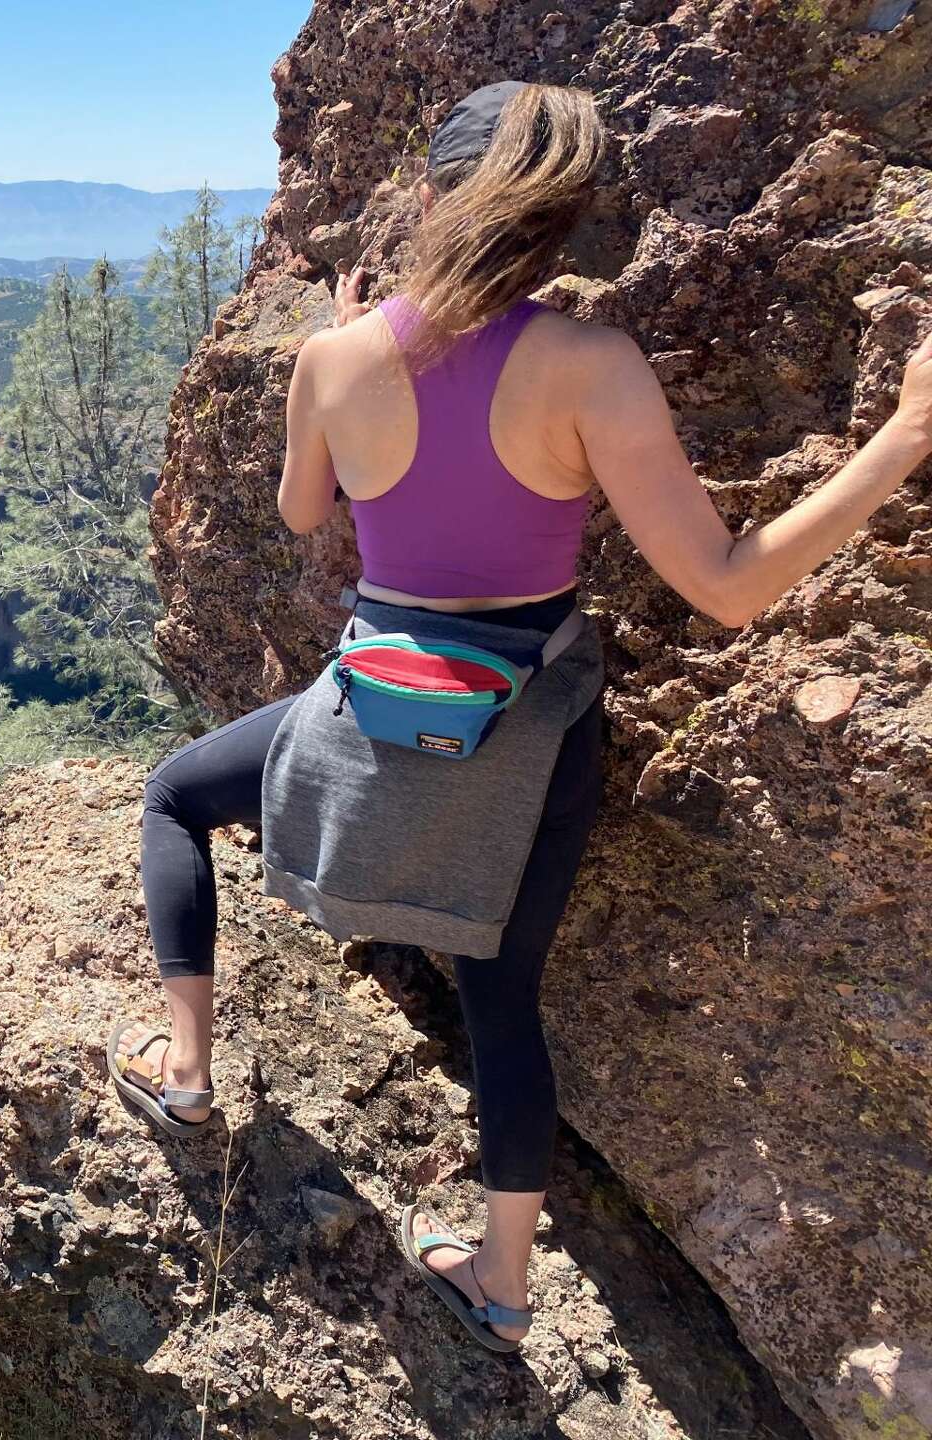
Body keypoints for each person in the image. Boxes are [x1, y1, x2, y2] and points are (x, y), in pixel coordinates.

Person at [107, 79, 932, 1353]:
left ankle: (189, 1074)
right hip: (525, 731)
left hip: (365, 707)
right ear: (564, 227)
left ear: (431, 198)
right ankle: (500, 1280)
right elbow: (724, 588)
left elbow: (301, 516)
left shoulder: (334, 359)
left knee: (174, 795)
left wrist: (343, 356)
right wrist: (902, 439)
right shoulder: (589, 366)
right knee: (500, 989)